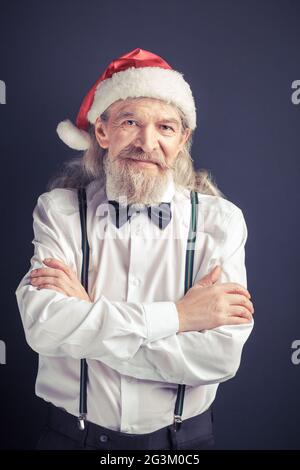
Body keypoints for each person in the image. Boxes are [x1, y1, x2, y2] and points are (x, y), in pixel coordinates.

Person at [15, 48, 254, 451]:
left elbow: (219, 357)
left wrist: (88, 323)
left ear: (182, 140)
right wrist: (179, 316)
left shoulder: (221, 222)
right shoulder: (58, 211)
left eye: (165, 127)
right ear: (103, 132)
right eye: (130, 122)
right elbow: (44, 326)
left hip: (182, 446)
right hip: (71, 440)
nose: (147, 142)